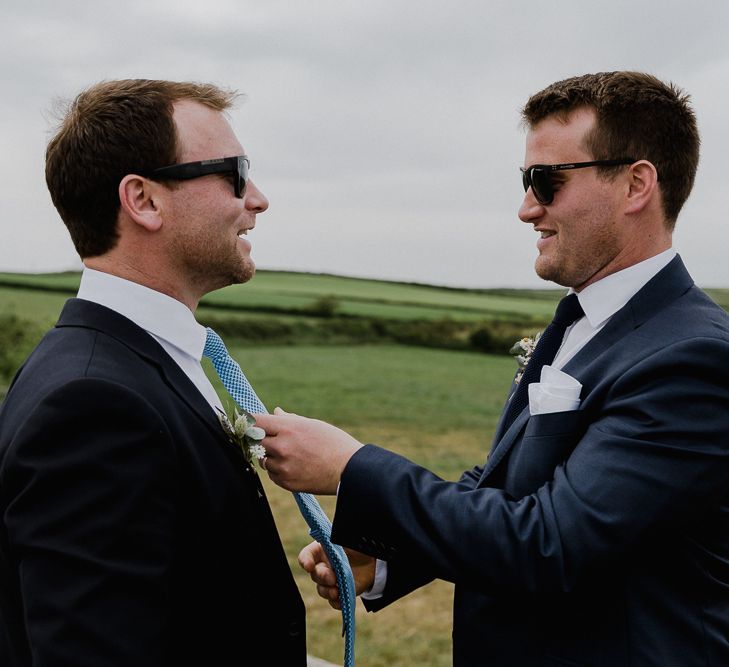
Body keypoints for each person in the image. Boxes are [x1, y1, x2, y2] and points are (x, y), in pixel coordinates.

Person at [255, 71, 729, 666]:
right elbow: (507, 484)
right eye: (526, 181)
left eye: (546, 181)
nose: (527, 208)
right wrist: (397, 559)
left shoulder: (694, 357)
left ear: (636, 185)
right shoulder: (583, 319)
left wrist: (353, 468)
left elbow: (552, 543)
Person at [0, 80, 306, 666]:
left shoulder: (121, 363)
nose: (259, 199)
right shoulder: (93, 407)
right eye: (236, 173)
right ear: (143, 200)